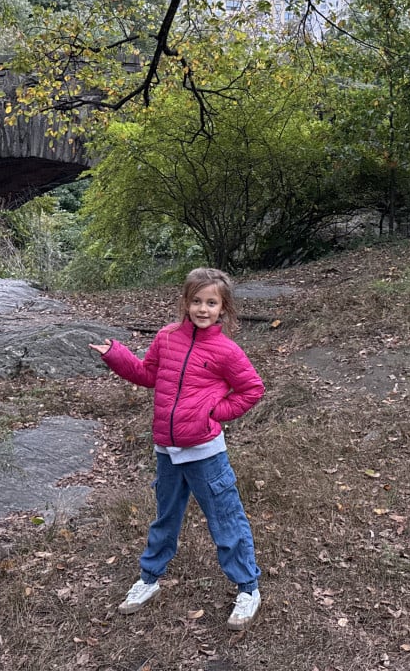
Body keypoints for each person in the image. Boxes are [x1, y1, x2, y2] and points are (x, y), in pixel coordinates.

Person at [89, 267, 265, 630]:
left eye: (211, 303)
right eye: (197, 301)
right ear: (185, 303)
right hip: (167, 452)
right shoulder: (167, 337)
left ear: (223, 308)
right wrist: (115, 354)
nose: (203, 309)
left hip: (205, 454)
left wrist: (214, 413)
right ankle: (149, 579)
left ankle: (248, 588)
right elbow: (148, 375)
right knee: (165, 517)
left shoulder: (226, 351)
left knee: (226, 520)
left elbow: (252, 389)